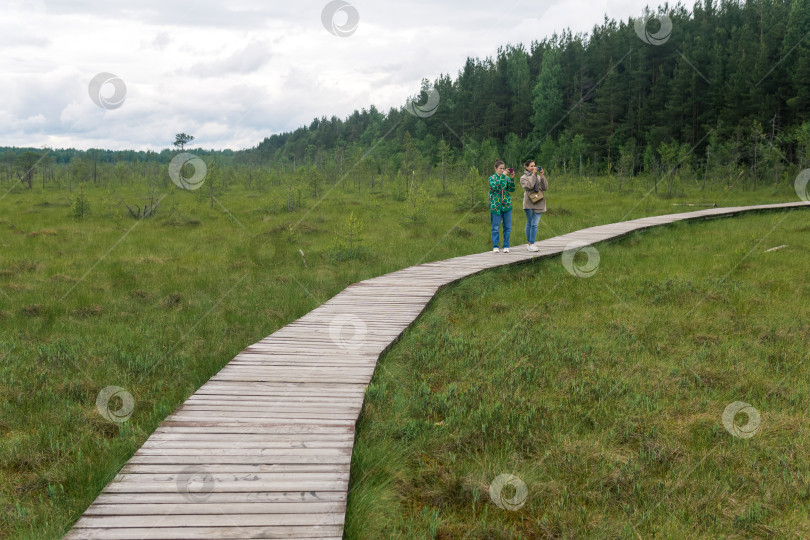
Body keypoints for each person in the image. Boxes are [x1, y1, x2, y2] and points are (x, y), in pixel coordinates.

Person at [519, 160, 548, 251]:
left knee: (534, 224)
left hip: (539, 202)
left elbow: (545, 187)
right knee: (530, 223)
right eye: (531, 166)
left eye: (534, 166)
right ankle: (530, 243)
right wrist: (533, 175)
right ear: (526, 167)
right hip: (529, 203)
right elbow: (529, 186)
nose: (533, 168)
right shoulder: (523, 178)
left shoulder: (538, 176)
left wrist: (542, 176)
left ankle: (531, 243)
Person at [488, 160, 516, 253]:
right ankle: (495, 246)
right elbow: (496, 187)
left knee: (507, 227)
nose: (502, 170)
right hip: (496, 206)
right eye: (500, 168)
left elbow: (512, 189)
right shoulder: (492, 178)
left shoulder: (507, 178)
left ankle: (506, 245)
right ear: (495, 168)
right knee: (495, 227)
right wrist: (503, 176)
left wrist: (511, 178)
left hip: (507, 205)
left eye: (504, 168)